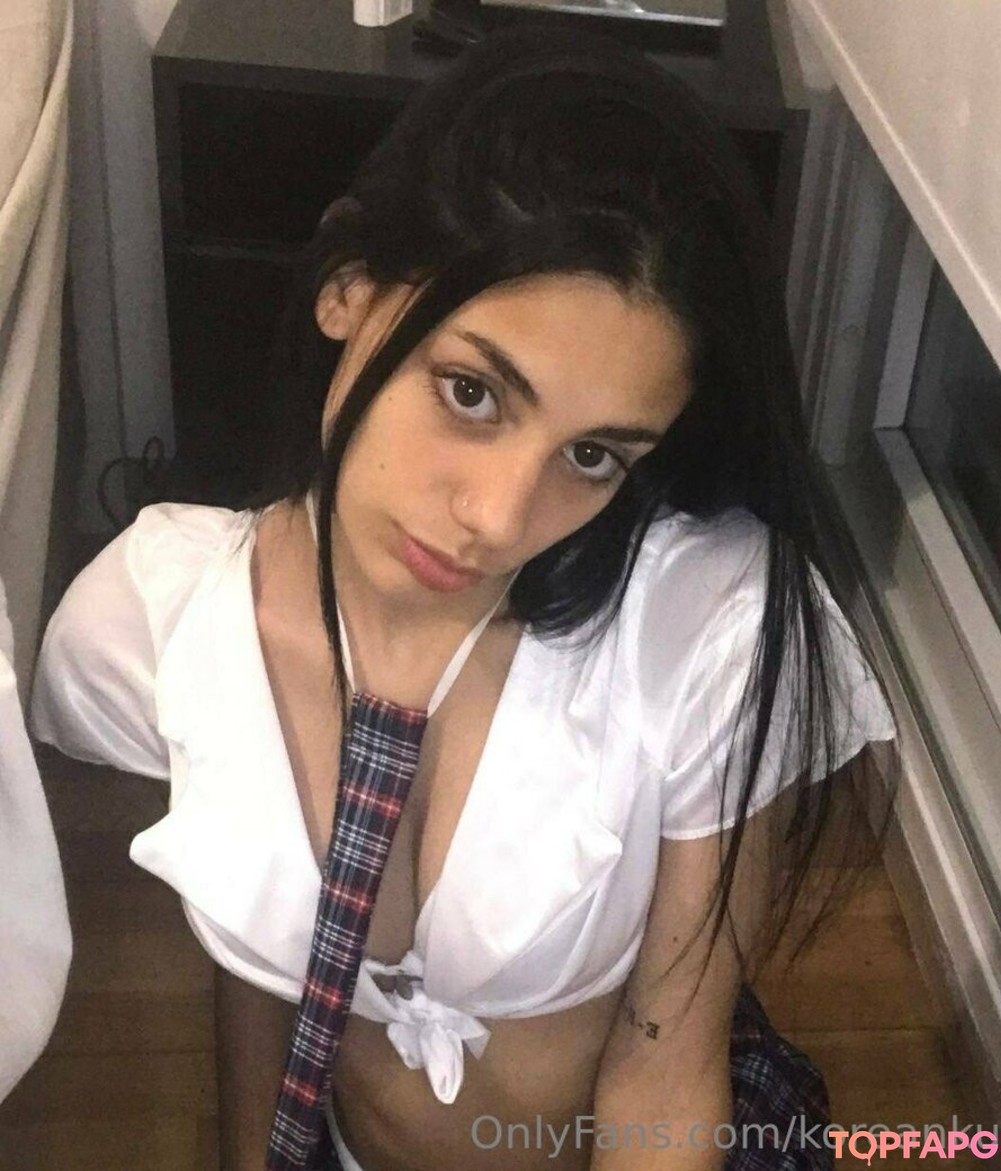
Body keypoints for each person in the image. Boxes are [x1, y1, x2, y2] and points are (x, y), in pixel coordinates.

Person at [31, 27, 896, 1171]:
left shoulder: (699, 626)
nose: (497, 516)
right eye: (473, 391)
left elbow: (666, 1063)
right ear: (348, 289)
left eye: (593, 454)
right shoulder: (150, 624)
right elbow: (259, 974)